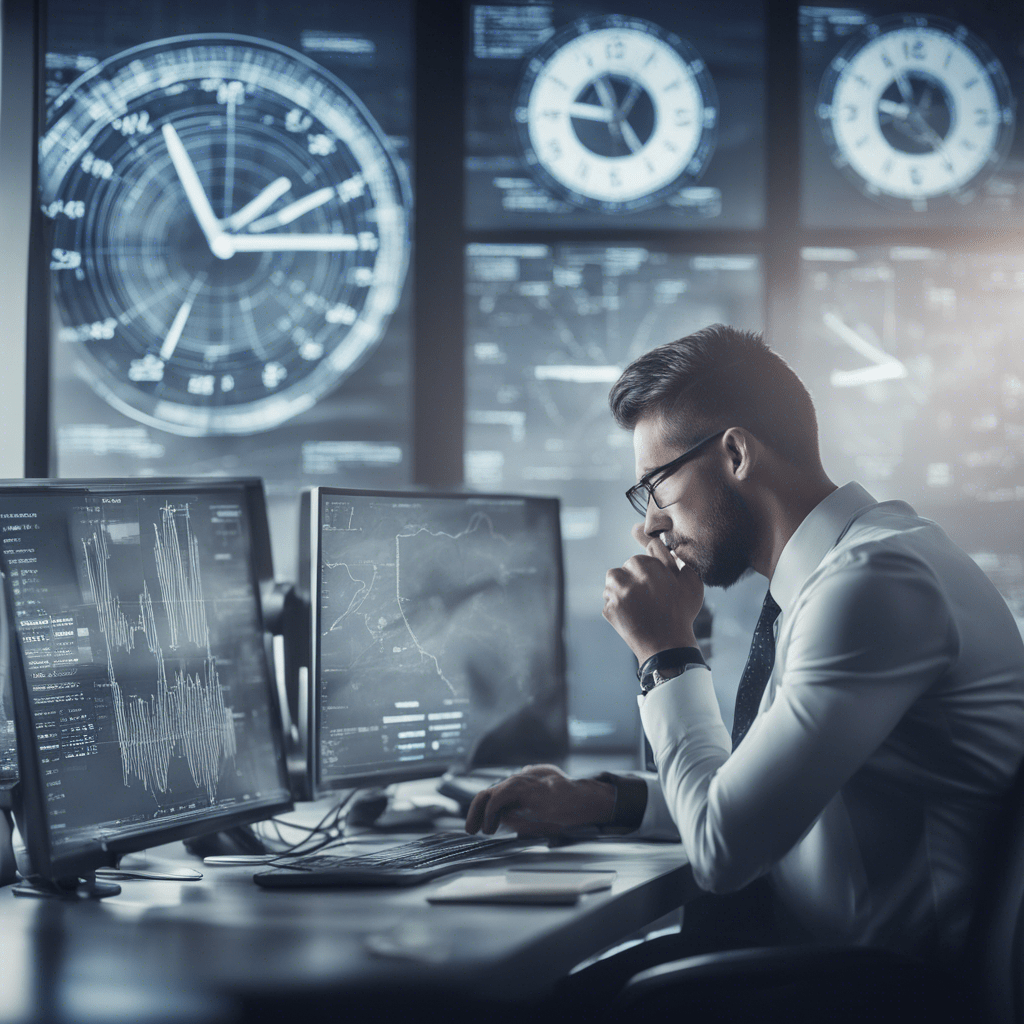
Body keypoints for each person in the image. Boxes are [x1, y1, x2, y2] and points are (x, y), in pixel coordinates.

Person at [466, 324, 1024, 970]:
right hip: (829, 965)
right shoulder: (846, 574)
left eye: (658, 485)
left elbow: (722, 852)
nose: (649, 523)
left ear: (735, 454)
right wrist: (604, 801)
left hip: (870, 992)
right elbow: (751, 802)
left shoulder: (872, 587)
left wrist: (665, 654)